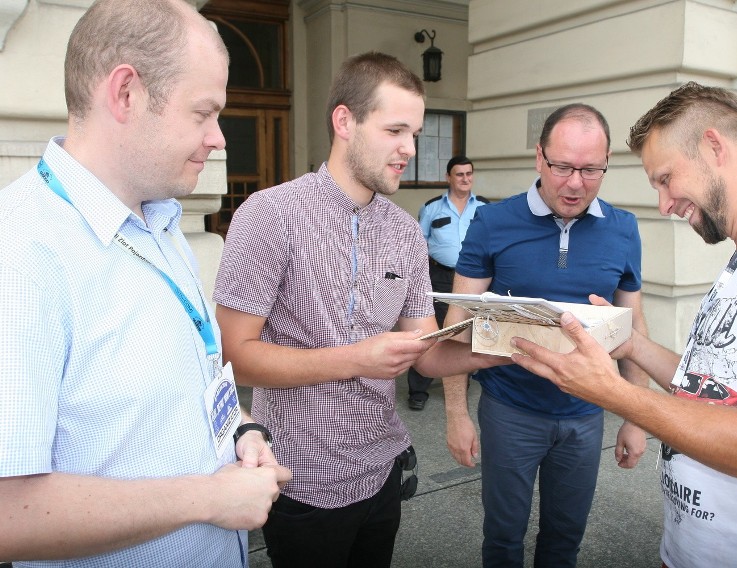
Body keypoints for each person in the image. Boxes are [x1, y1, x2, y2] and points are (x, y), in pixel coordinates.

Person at [511, 82, 737, 568]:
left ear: (714, 147)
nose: (666, 204)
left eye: (666, 178)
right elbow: (715, 389)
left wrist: (616, 395)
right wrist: (630, 345)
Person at [0, 0, 292, 566]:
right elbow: (8, 514)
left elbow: (195, 379)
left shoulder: (161, 223)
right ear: (126, 93)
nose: (220, 139)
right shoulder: (21, 252)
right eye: (203, 112)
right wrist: (209, 498)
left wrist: (242, 433)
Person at [213, 52, 504, 568]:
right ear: (344, 120)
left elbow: (426, 353)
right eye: (395, 131)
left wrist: (507, 349)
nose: (409, 150)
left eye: (414, 133)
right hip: (301, 476)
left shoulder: (405, 232)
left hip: (382, 468)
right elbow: (233, 357)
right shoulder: (269, 214)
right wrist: (357, 358)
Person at [441, 104, 651, 567]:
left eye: (591, 170)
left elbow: (634, 327)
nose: (575, 183)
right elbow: (457, 323)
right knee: (503, 536)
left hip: (585, 414)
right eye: (562, 167)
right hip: (510, 411)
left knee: (565, 538)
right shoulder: (493, 223)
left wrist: (637, 415)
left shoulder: (623, 229)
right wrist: (456, 414)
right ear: (539, 158)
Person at [407, 155, 490, 410]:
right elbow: (419, 244)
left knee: (466, 329)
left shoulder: (486, 208)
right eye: (459, 174)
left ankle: (458, 385)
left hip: (476, 279)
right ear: (448, 177)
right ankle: (418, 390)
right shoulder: (432, 208)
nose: (465, 179)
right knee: (432, 331)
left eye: (469, 174)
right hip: (440, 275)